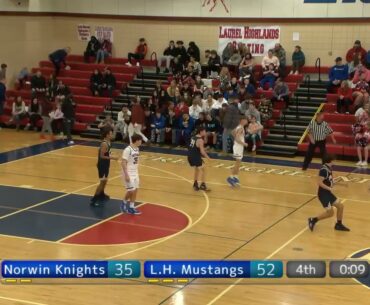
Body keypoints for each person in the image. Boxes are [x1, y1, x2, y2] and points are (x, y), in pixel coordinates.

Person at [308, 155, 350, 232]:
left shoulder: (329, 168)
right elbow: (319, 183)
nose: (335, 161)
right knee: (330, 213)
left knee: (340, 206)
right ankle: (313, 220)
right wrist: (329, 188)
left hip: (328, 193)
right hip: (323, 194)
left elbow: (331, 182)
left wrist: (342, 184)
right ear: (331, 161)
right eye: (334, 160)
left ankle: (338, 225)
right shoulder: (323, 170)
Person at [90, 127, 118, 206]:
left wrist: (111, 155)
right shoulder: (104, 144)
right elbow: (102, 156)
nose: (112, 135)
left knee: (105, 181)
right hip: (102, 164)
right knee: (102, 182)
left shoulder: (109, 142)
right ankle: (94, 199)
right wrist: (113, 157)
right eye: (110, 134)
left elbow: (107, 153)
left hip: (106, 164)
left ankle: (102, 194)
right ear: (106, 135)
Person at [120, 134, 143, 215]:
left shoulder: (137, 148)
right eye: (140, 140)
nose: (141, 142)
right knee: (131, 190)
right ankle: (123, 203)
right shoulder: (127, 149)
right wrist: (126, 174)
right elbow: (123, 163)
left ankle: (131, 207)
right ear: (136, 140)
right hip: (128, 172)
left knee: (135, 189)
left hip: (135, 172)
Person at [187, 126, 211, 191]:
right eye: (204, 131)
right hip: (195, 157)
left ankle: (195, 184)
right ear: (201, 132)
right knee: (204, 169)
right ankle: (203, 185)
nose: (205, 132)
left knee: (197, 169)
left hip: (190, 156)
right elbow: (202, 152)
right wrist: (208, 157)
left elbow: (195, 147)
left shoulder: (193, 137)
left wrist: (204, 149)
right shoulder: (200, 140)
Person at [227, 116, 249, 187]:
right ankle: (231, 178)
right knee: (237, 163)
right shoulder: (240, 128)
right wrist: (244, 143)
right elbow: (237, 138)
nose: (247, 121)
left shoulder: (239, 127)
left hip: (237, 147)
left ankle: (235, 177)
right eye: (245, 120)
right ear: (242, 120)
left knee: (238, 163)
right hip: (238, 147)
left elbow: (232, 132)